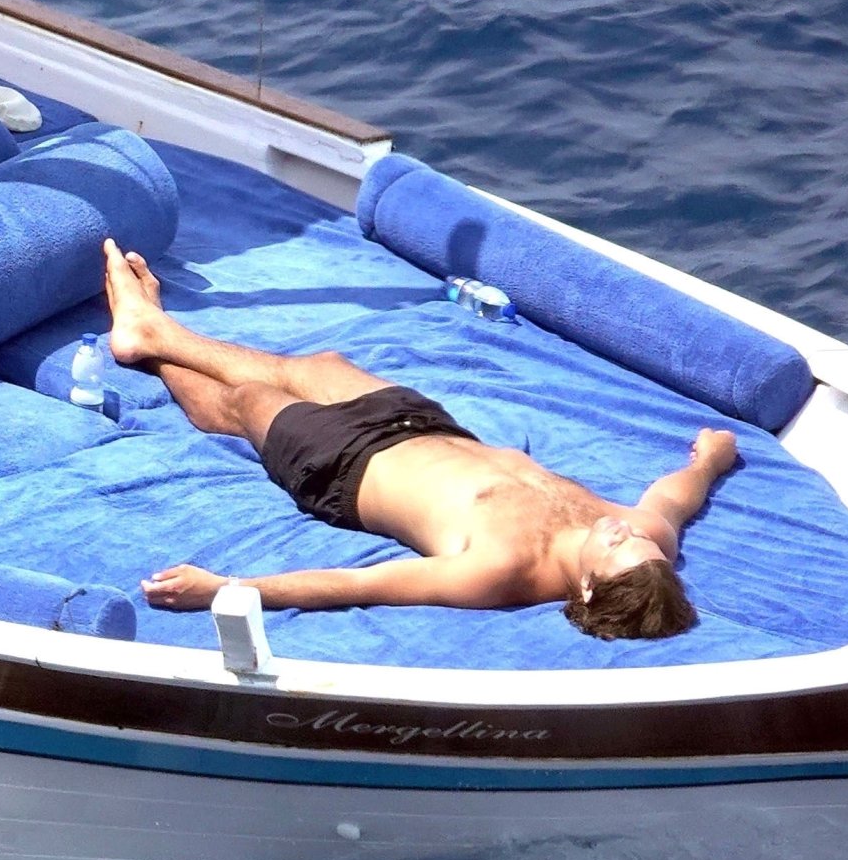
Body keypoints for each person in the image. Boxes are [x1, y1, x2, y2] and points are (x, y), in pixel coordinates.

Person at [99, 239, 739, 640]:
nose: (624, 531)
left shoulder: (502, 572)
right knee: (320, 365)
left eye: (619, 547)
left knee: (247, 402)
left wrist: (226, 588)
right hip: (425, 428)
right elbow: (671, 501)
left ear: (590, 589)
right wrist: (710, 462)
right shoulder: (648, 542)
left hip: (343, 465)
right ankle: (151, 328)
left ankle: (149, 341)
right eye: (641, 545)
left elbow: (360, 585)